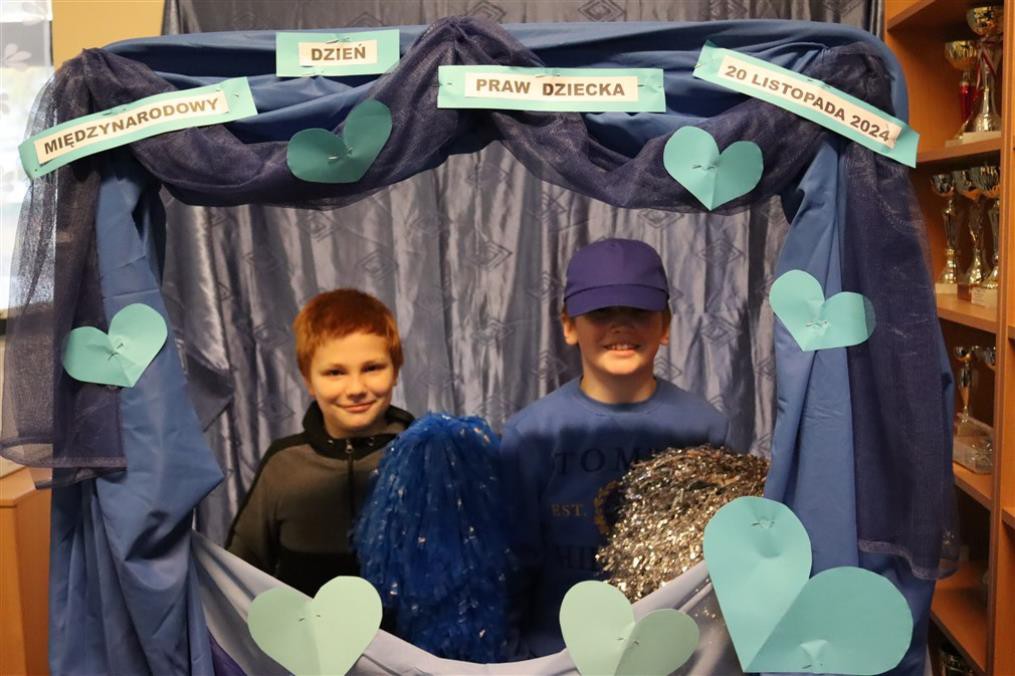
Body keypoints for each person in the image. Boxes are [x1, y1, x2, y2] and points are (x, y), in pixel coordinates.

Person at [499, 238, 730, 657]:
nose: (621, 326)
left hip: (671, 653)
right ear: (569, 326)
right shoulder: (531, 434)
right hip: (557, 656)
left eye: (638, 312)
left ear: (665, 326)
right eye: (601, 312)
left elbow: (717, 571)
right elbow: (511, 565)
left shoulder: (704, 429)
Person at [226, 288, 414, 596]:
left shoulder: (426, 457)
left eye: (372, 368)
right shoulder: (283, 467)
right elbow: (237, 575)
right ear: (308, 380)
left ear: (395, 370)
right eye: (335, 373)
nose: (356, 388)